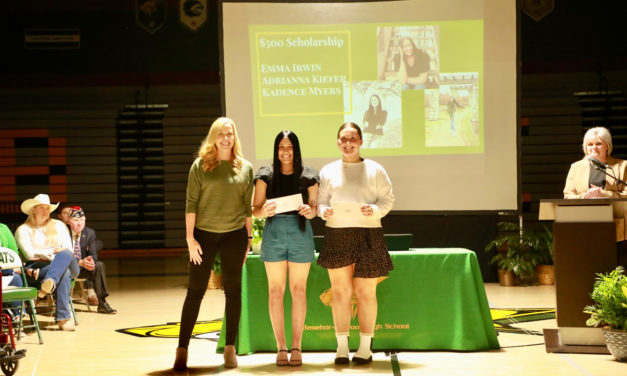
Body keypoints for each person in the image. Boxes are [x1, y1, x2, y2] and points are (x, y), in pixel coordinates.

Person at [173, 117, 254, 371]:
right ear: (213, 137)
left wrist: (249, 240)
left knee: (233, 290)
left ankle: (230, 348)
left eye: (229, 133)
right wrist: (189, 238)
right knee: (195, 291)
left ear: (234, 137)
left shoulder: (245, 167)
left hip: (234, 235)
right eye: (221, 134)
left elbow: (246, 208)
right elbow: (191, 203)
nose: (226, 138)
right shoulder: (200, 165)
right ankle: (182, 349)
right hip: (203, 235)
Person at [317, 122, 395, 365]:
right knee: (340, 293)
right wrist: (323, 212)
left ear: (361, 141)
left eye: (353, 139)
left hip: (368, 234)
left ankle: (364, 349)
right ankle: (341, 349)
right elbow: (319, 203)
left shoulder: (376, 169)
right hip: (337, 234)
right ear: (337, 142)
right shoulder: (328, 171)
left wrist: (374, 209)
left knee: (366, 293)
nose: (348, 143)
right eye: (343, 139)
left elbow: (388, 199)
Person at [251, 131, 319, 366]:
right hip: (275, 232)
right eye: (281, 147)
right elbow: (255, 209)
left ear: (296, 149)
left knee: (299, 290)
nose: (286, 151)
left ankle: (297, 346)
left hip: (300, 232)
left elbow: (314, 208)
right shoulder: (265, 174)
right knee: (275, 291)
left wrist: (311, 212)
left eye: (290, 147)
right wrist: (264, 211)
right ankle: (281, 346)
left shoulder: (308, 175)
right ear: (276, 149)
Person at [14, 193, 80, 331]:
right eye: (42, 208)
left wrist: (46, 254)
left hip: (62, 265)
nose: (45, 211)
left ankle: (48, 279)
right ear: (33, 209)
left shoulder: (59, 225)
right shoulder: (23, 230)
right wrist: (53, 252)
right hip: (40, 266)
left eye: (48, 208)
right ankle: (63, 319)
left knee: (66, 255)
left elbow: (68, 250)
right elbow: (30, 255)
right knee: (64, 272)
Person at [67, 206, 116, 314]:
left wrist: (90, 261)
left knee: (99, 265)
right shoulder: (63, 232)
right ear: (68, 221)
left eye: (82, 220)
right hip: (67, 268)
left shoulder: (89, 233)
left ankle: (102, 302)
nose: (79, 223)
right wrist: (79, 262)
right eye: (75, 220)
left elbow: (93, 254)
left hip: (83, 268)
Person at [563, 126, 627, 199]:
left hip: (614, 210)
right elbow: (568, 196)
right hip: (583, 209)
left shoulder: (623, 165)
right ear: (585, 147)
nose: (594, 148)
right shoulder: (576, 167)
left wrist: (604, 194)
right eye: (590, 144)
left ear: (607, 146)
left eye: (598, 144)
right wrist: (584, 197)